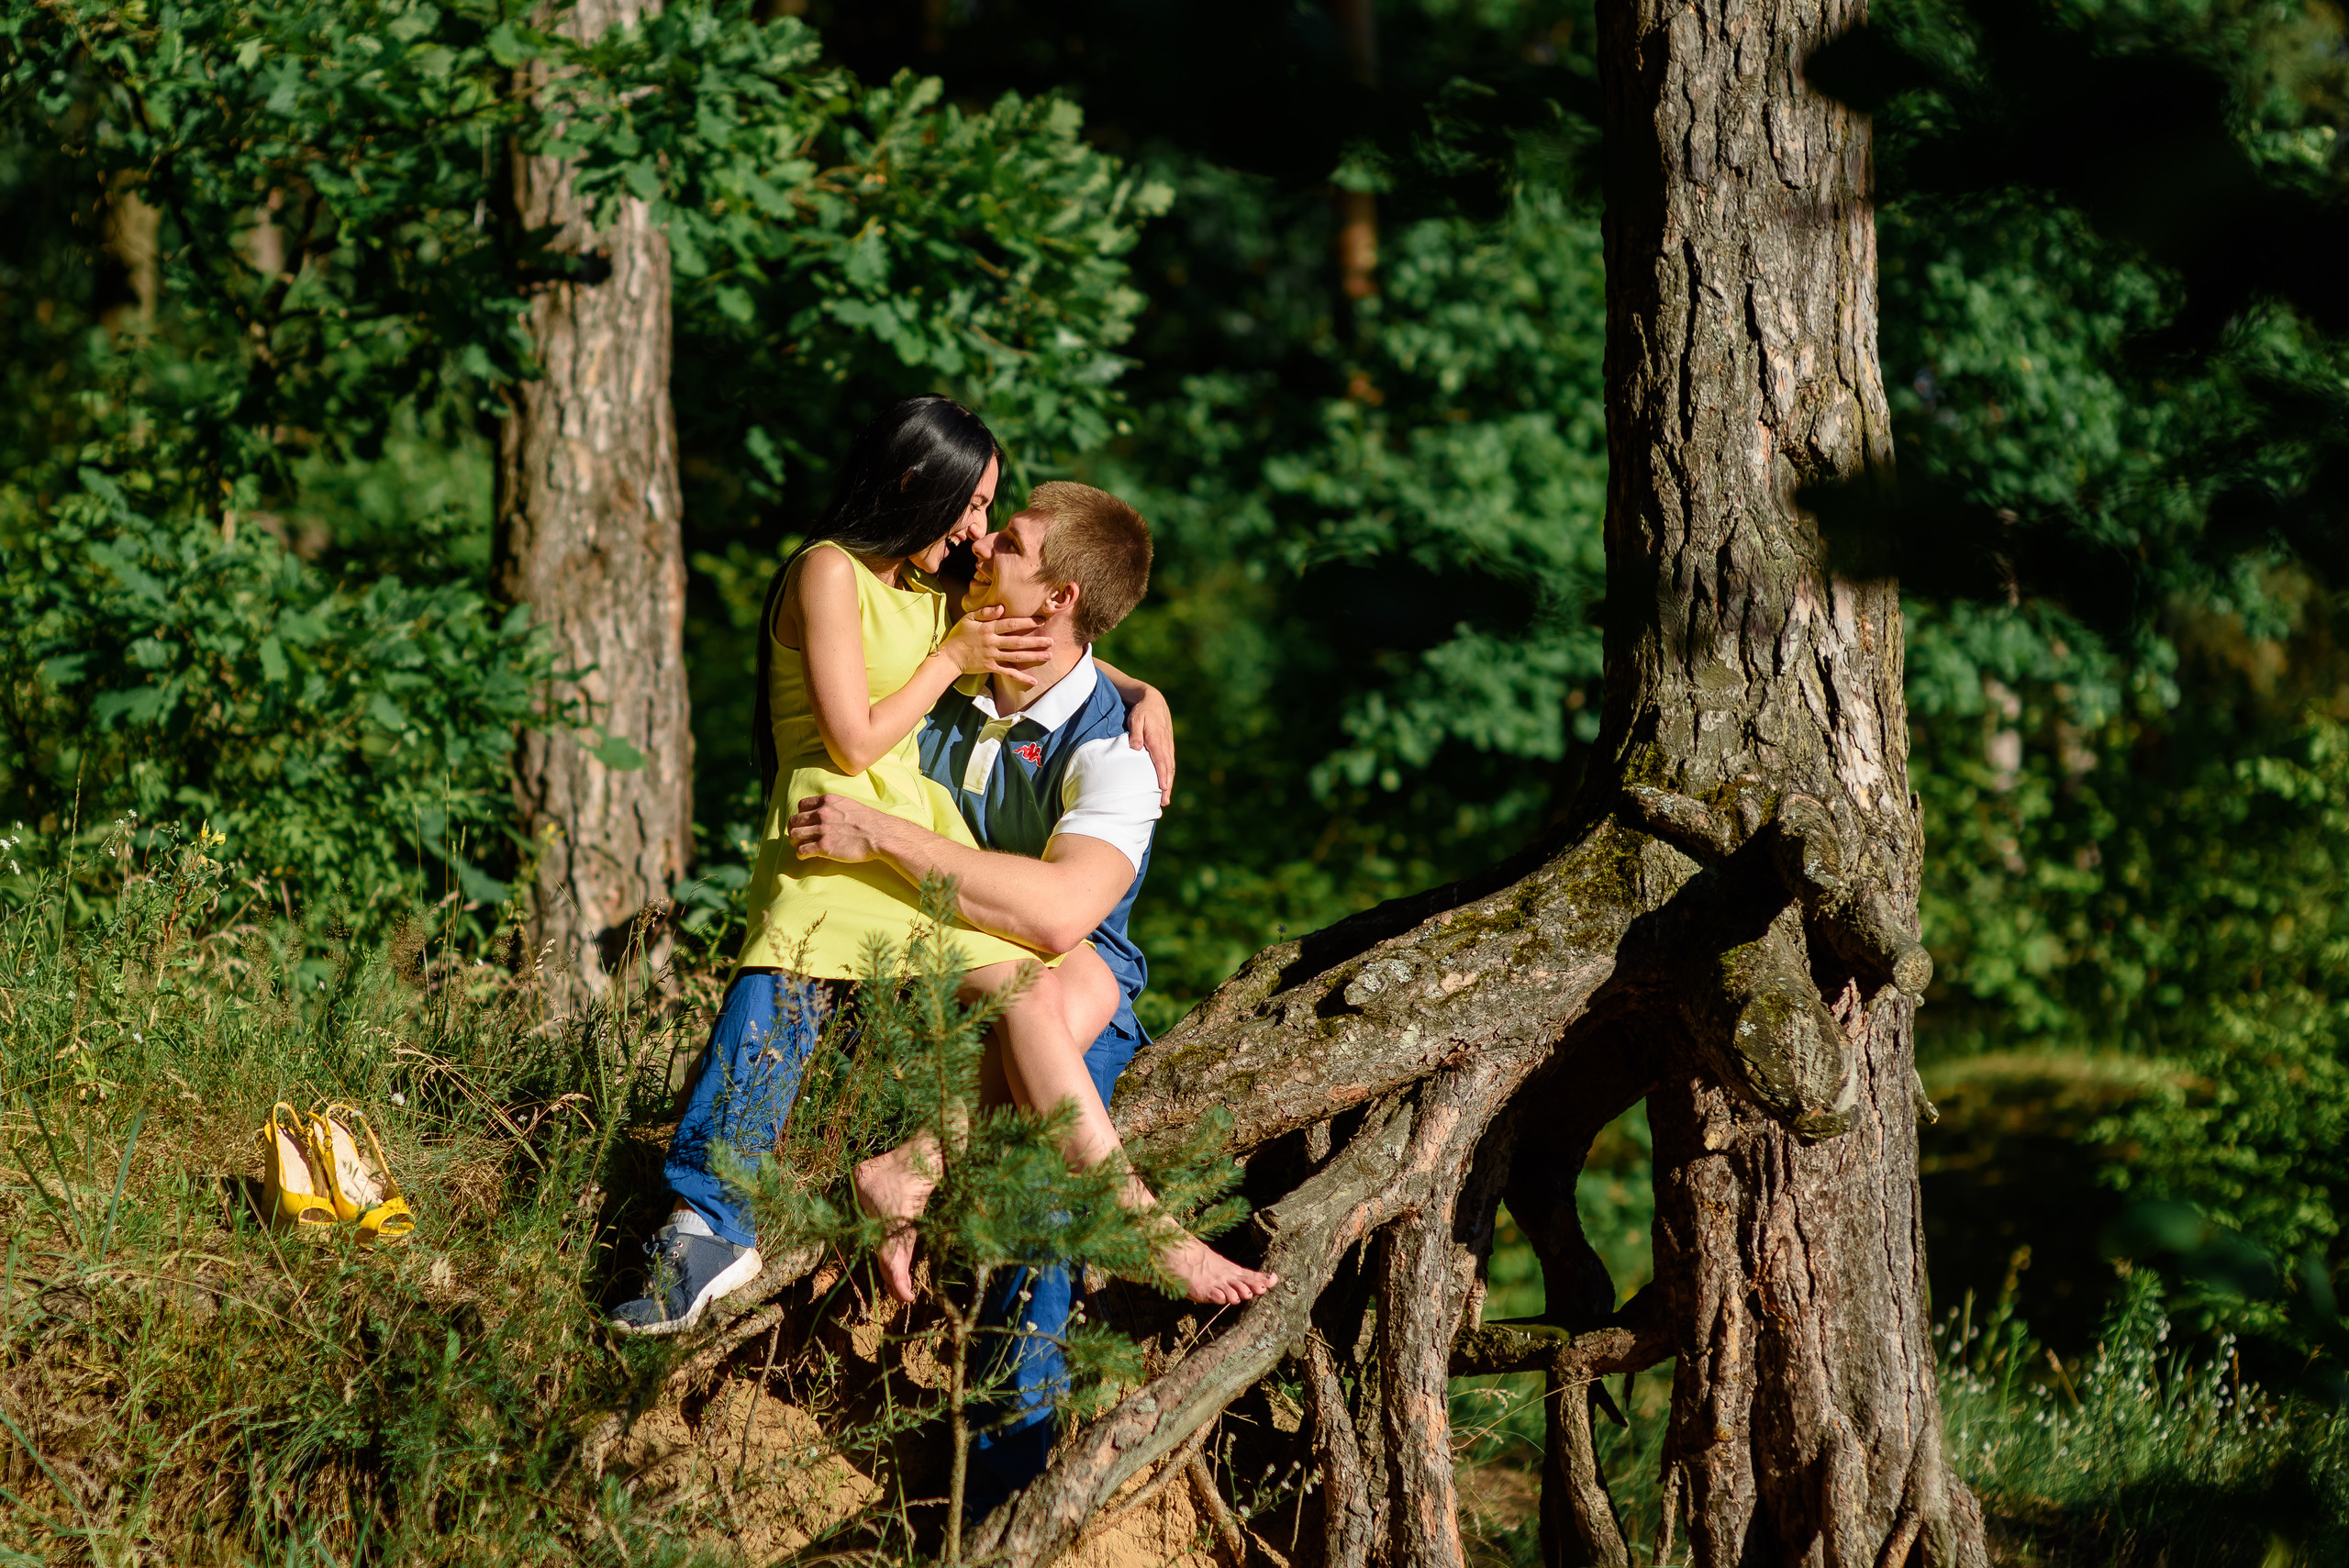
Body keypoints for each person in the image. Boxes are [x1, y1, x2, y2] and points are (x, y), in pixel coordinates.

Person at [608, 397, 1274, 1339]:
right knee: (802, 959)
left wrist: (1136, 685)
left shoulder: (1027, 678)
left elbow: (1060, 895)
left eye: (999, 526)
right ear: (922, 487)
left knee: (1034, 1044)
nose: (976, 537)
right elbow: (861, 725)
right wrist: (982, 654)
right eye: (976, 509)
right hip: (872, 857)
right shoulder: (885, 595)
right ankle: (713, 1215)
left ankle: (1121, 1251)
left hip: (1009, 919)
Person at [785, 479, 1268, 1505]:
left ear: (1053, 599)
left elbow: (1059, 915)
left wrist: (885, 834)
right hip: (914, 973)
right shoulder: (938, 668)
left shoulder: (1114, 747)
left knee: (1043, 1177)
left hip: (1065, 984)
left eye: (1004, 542)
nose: (974, 547)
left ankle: (1001, 1483)